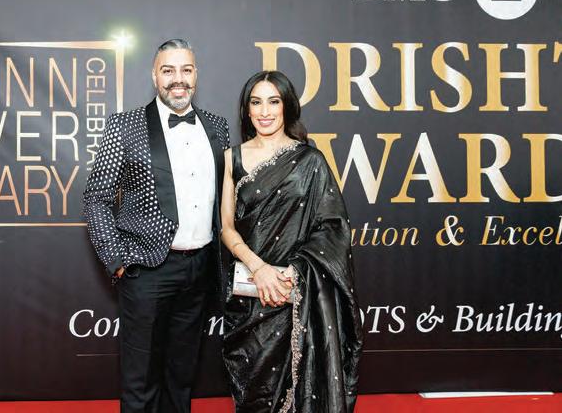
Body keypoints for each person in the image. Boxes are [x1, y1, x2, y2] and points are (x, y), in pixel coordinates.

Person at [83, 39, 230, 413]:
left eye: (186, 70)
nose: (178, 79)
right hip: (146, 270)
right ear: (154, 76)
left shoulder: (217, 127)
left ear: (196, 75)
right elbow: (97, 197)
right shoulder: (126, 125)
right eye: (168, 70)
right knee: (141, 381)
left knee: (182, 377)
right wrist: (117, 260)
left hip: (200, 270)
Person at [220, 70, 363, 412]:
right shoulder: (232, 157)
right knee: (256, 392)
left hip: (293, 288)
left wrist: (294, 272)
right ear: (246, 109)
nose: (264, 111)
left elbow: (332, 228)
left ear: (287, 107)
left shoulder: (310, 160)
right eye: (256, 102)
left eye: (273, 102)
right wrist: (259, 269)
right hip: (252, 291)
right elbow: (226, 227)